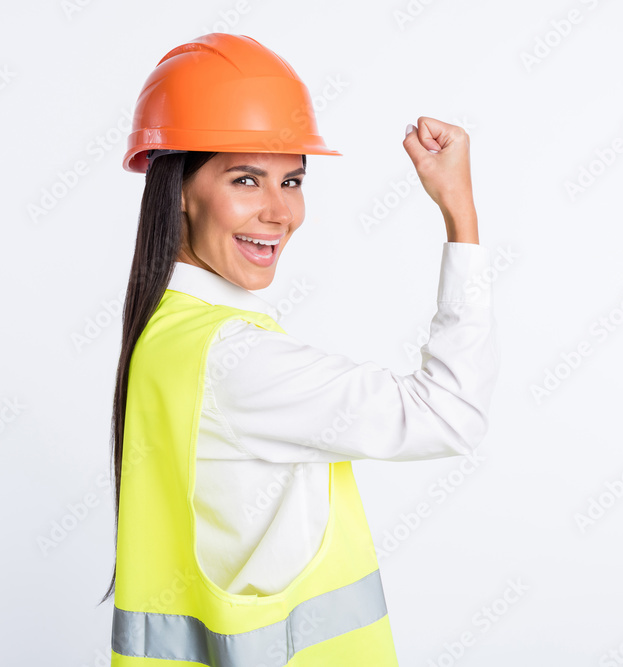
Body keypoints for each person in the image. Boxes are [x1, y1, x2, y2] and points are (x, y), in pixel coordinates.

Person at [102, 33, 499, 667]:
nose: (279, 211)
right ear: (179, 188)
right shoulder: (235, 359)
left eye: (291, 180)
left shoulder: (167, 334)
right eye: (245, 179)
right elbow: (451, 416)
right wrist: (461, 213)